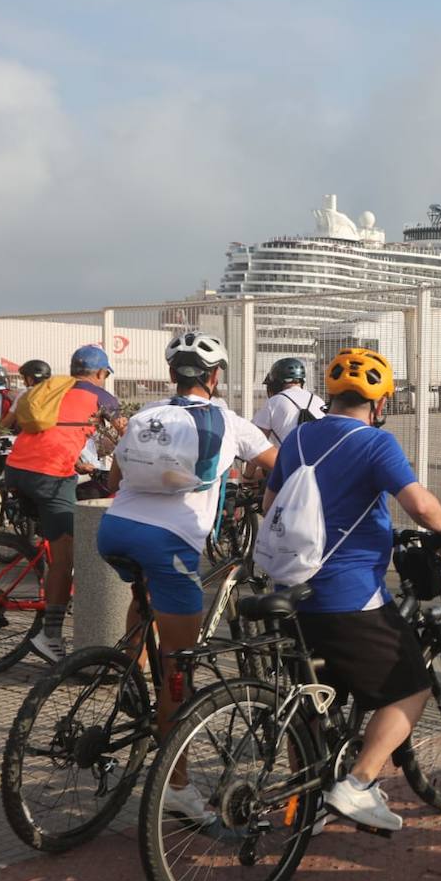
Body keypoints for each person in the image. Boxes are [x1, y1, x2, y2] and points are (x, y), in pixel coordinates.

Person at [263, 347, 441, 831]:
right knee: (410, 686)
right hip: (347, 595)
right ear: (380, 404)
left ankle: (306, 804)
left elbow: (271, 502)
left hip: (291, 590)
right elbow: (420, 506)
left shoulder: (298, 439)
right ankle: (358, 784)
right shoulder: (375, 442)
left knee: (314, 697)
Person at [97, 331, 277, 820]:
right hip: (170, 543)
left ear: (173, 374)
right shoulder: (232, 422)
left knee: (148, 599)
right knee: (181, 668)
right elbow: (277, 468)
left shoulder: (146, 416)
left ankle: (128, 676)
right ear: (215, 377)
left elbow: (113, 481)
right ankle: (175, 784)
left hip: (113, 531)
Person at [5, 346, 121, 663]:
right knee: (65, 556)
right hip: (50, 476)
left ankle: (44, 575)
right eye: (105, 375)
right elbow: (124, 440)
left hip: (16, 467)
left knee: (54, 542)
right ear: (100, 374)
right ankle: (50, 636)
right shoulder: (102, 398)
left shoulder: (53, 388)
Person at [252, 356, 326, 445]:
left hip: (287, 458)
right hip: (319, 457)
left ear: (276, 382)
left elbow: (256, 442)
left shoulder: (273, 402)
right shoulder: (318, 401)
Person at [0, 360, 53, 431]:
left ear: (30, 380)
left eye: (24, 379)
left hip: (32, 438)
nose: (24, 383)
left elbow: (7, 421)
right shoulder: (56, 392)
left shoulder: (26, 393)